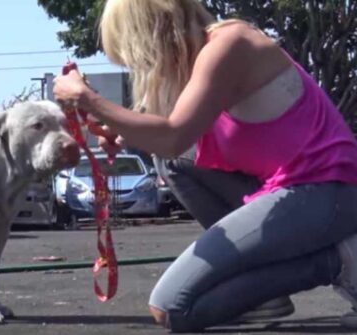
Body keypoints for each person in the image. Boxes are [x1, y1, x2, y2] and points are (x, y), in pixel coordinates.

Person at [52, 0, 357, 332]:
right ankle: (266, 295)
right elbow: (169, 138)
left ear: (152, 32)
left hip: (330, 189)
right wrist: (122, 131)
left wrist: (87, 98)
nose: (141, 65)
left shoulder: (229, 44)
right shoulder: (199, 64)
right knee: (170, 162)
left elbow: (173, 136)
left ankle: (337, 262)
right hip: (288, 190)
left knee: (172, 308)